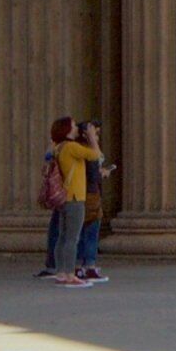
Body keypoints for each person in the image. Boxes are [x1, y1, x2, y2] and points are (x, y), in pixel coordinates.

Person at [41, 118, 95, 284]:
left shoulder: (58, 147)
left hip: (63, 197)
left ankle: (61, 272)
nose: (76, 127)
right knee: (72, 237)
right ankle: (70, 273)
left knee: (63, 237)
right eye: (73, 125)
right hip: (75, 196)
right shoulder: (71, 147)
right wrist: (91, 137)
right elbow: (95, 155)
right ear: (67, 129)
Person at [73, 121, 115, 283]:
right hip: (89, 194)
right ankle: (89, 266)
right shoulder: (86, 150)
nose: (97, 137)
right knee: (90, 231)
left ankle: (78, 266)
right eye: (95, 133)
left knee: (80, 232)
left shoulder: (75, 149)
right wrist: (102, 173)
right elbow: (96, 164)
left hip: (80, 194)